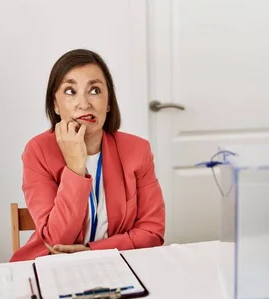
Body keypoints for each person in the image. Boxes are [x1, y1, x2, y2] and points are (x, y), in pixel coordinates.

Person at [10, 49, 165, 262]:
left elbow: (152, 233)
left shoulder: (137, 150)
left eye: (94, 90)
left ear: (108, 103)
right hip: (51, 265)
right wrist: (75, 166)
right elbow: (56, 240)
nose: (84, 103)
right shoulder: (38, 151)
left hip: (118, 266)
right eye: (70, 91)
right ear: (55, 104)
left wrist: (95, 252)